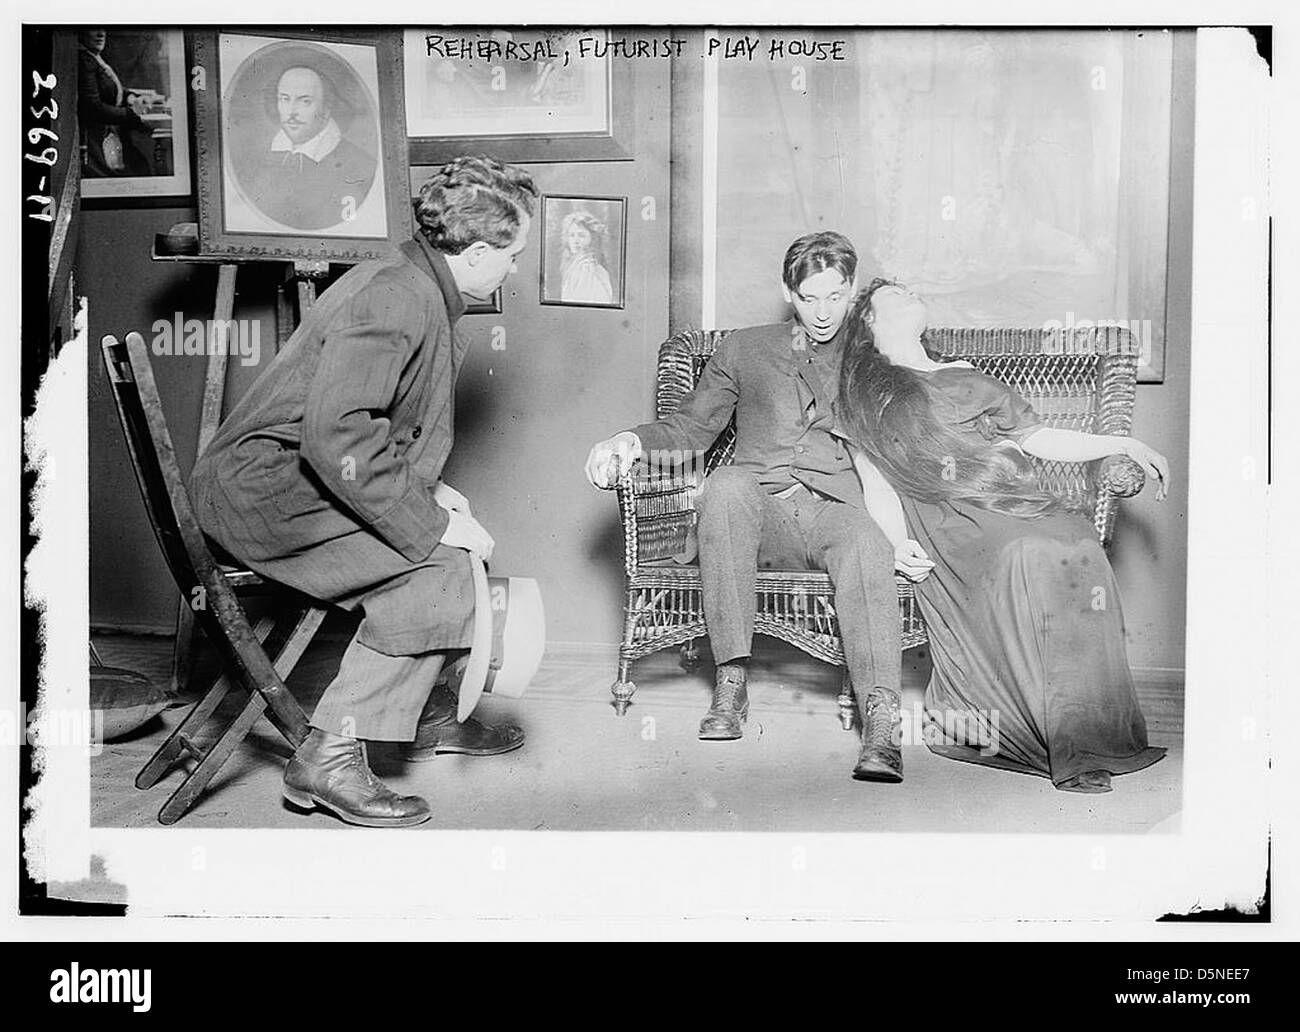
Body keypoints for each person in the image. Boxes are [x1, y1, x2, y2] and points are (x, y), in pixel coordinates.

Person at [190, 154, 537, 827]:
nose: (514, 269)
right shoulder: (394, 297)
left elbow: (370, 431)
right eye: (512, 254)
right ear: (473, 253)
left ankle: (422, 717)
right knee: (437, 571)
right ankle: (331, 756)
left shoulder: (413, 284)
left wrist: (433, 498)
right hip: (263, 496)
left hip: (289, 483)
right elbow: (340, 437)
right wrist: (430, 524)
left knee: (457, 551)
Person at [585, 232, 907, 782]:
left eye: (835, 296)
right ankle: (731, 681)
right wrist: (629, 441)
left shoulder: (875, 349)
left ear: (852, 290)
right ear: (788, 292)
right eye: (810, 298)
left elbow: (914, 431)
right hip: (761, 515)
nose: (823, 312)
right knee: (728, 484)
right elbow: (691, 426)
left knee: (867, 542)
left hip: (837, 511)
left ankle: (881, 721)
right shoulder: (746, 347)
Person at [835, 279, 1169, 793]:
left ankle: (1084, 731)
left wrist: (1121, 439)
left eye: (909, 291)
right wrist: (897, 543)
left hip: (1012, 498)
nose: (910, 295)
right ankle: (1065, 749)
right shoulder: (868, 394)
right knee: (1027, 554)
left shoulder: (965, 376)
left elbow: (1035, 438)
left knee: (1078, 544)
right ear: (870, 324)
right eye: (894, 297)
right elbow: (876, 483)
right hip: (949, 516)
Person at [241, 65, 378, 232]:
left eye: (305, 101)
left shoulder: (362, 166)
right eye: (284, 99)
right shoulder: (255, 160)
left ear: (327, 109)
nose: (291, 112)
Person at [78, 29, 154, 178]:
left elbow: (110, 89)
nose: (101, 34)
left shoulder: (94, 58)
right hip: (94, 139)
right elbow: (93, 108)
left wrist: (131, 98)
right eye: (93, 28)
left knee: (140, 165)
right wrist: (131, 113)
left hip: (107, 133)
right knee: (134, 171)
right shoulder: (85, 61)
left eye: (103, 29)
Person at [559, 210, 613, 303]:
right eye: (571, 235)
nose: (575, 241)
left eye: (581, 235)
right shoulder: (575, 266)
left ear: (592, 239)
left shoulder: (588, 269)